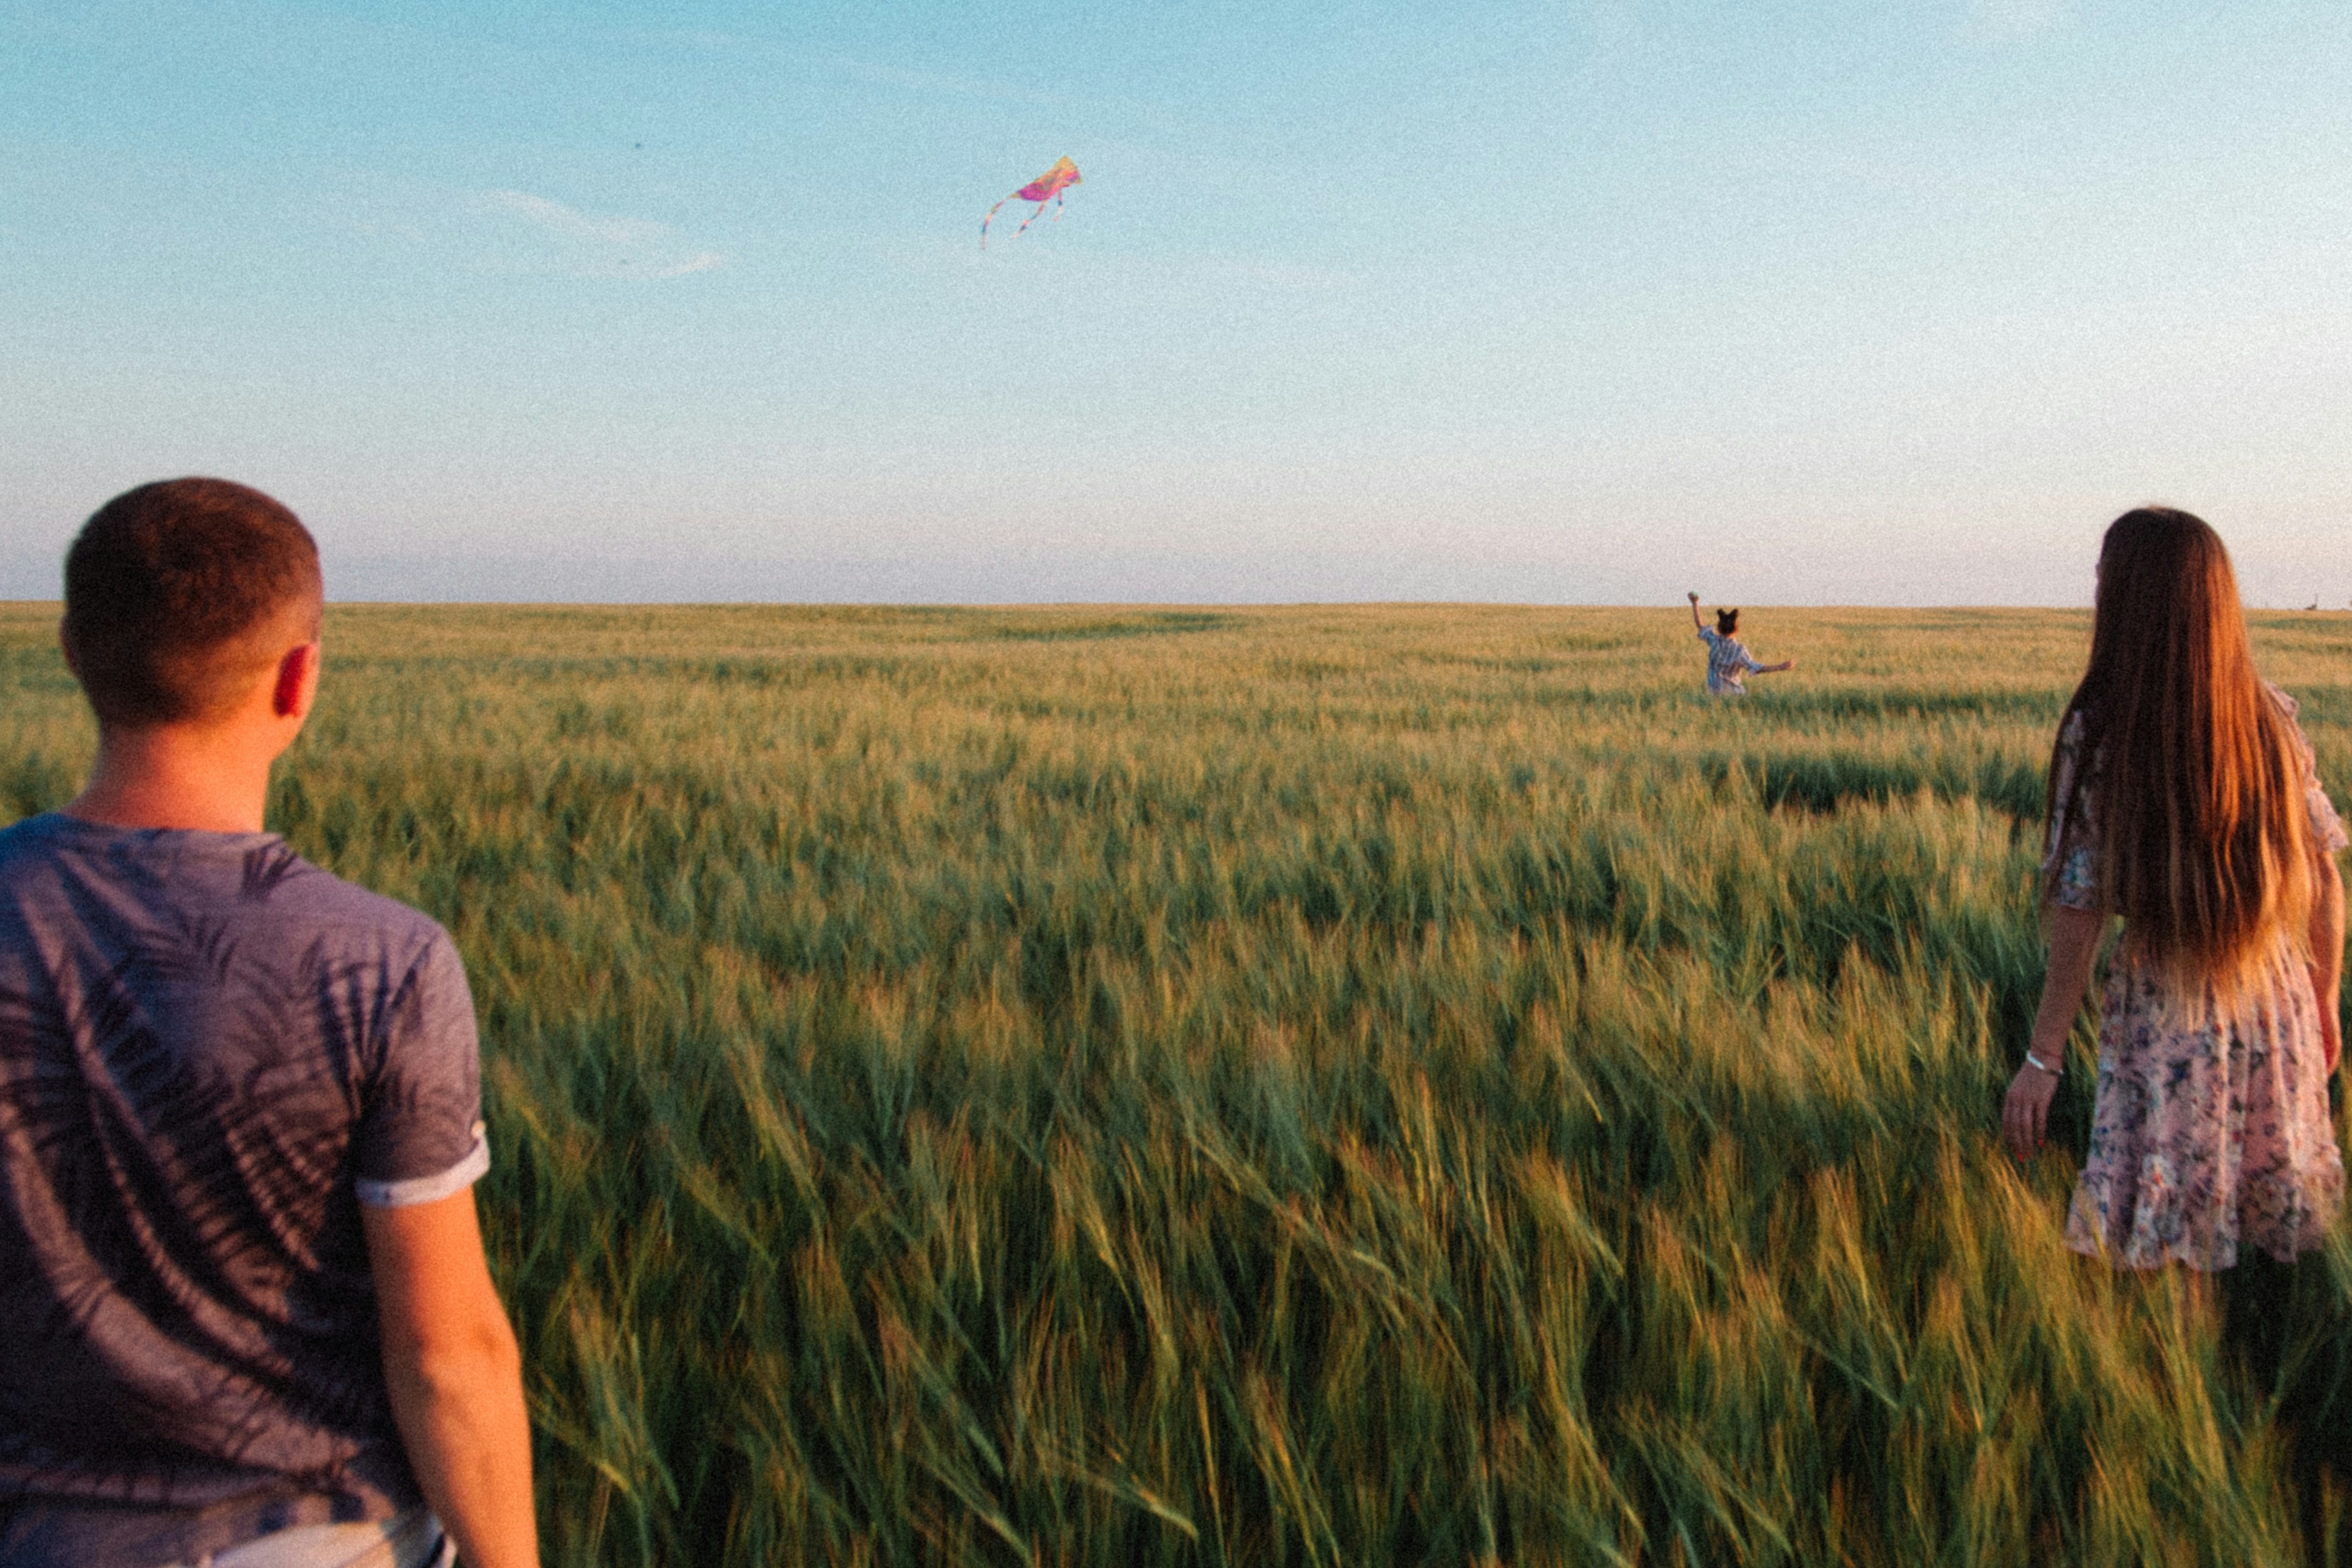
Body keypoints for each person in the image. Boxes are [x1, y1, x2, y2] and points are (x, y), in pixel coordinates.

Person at [0, 480, 537, 1567]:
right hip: (305, 1538)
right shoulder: (381, 962)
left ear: (70, 649)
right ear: (300, 677)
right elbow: (441, 1353)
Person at [2002, 508, 2347, 1271]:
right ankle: (2257, 1359)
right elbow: (2323, 872)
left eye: (2103, 576)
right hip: (2274, 994)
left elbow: (2081, 901)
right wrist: (2322, 997)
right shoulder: (2269, 716)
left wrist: (2043, 1054)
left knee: (2174, 1229)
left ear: (2130, 596)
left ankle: (2184, 1358)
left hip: (2168, 1011)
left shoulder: (2101, 728)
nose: (2094, 588)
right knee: (2262, 1214)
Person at [1686, 592, 1794, 696]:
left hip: (1713, 693)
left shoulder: (1714, 641)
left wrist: (1695, 603)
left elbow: (1700, 624)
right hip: (1735, 695)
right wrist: (1780, 667)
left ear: (1719, 628)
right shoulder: (1740, 650)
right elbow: (1755, 668)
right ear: (1737, 629)